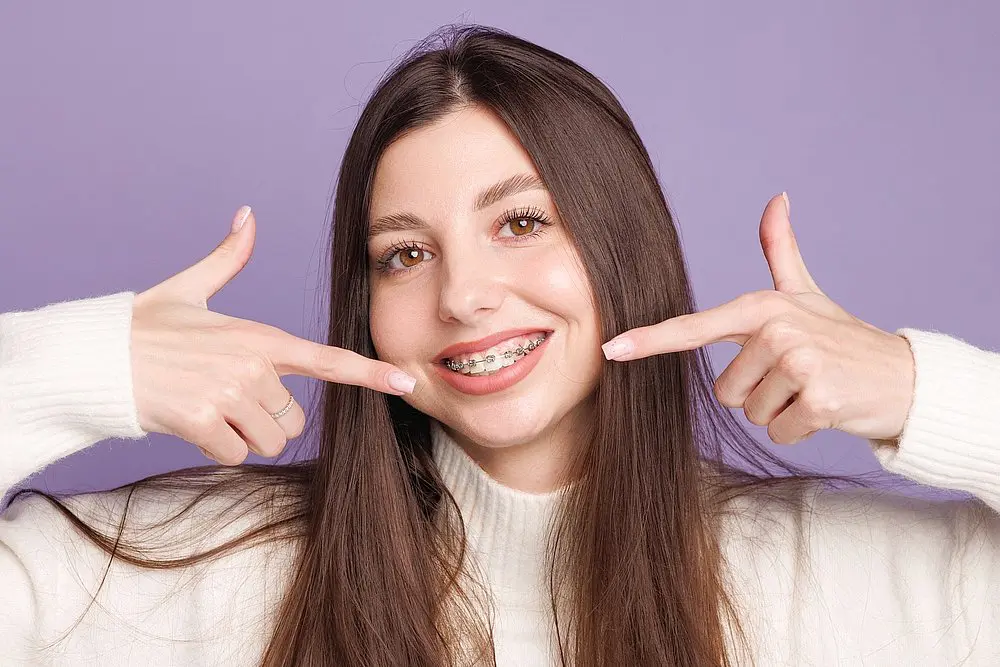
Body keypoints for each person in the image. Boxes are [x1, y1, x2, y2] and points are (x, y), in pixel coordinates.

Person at [1, 24, 998, 667]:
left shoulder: (873, 582)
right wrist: (78, 369)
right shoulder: (172, 572)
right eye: (403, 254)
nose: (465, 296)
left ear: (623, 243)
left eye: (521, 222)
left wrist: (922, 390)